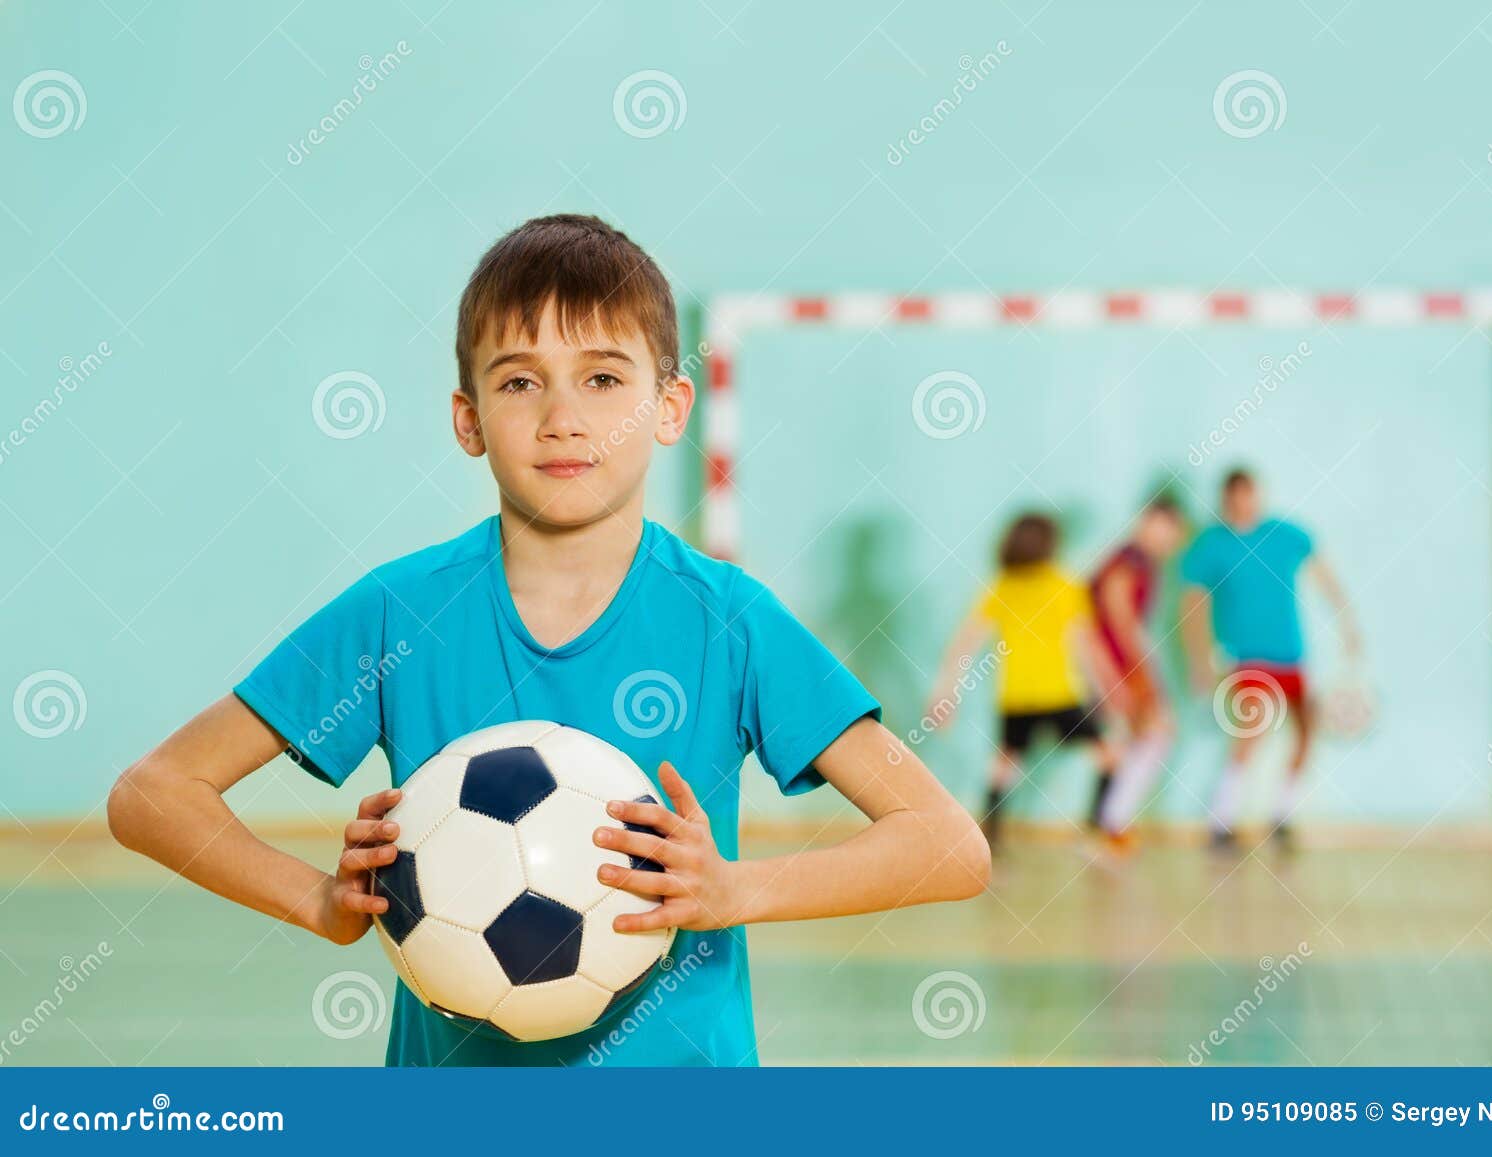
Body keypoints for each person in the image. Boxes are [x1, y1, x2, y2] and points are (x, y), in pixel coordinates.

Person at [107, 214, 989, 1067]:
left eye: (603, 378)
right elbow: (153, 794)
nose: (562, 417)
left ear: (671, 406)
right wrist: (318, 900)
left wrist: (733, 888)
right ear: (468, 418)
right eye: (521, 381)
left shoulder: (730, 619)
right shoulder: (397, 612)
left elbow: (949, 846)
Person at [1178, 468, 1359, 848]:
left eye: (1249, 496)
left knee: (1307, 731)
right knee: (1253, 729)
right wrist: (1199, 659)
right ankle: (1220, 821)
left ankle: (1282, 816)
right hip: (1247, 657)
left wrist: (1347, 624)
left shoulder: (1287, 535)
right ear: (1225, 500)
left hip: (1291, 654)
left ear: (1257, 495)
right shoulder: (1210, 545)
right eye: (1234, 498)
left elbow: (1325, 576)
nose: (1242, 505)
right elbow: (1192, 605)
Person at [925, 513, 1117, 851]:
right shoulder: (1065, 585)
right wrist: (1108, 691)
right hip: (1060, 695)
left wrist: (945, 693)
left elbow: (963, 645)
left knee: (1002, 768)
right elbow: (1087, 646)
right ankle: (1094, 828)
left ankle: (988, 842)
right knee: (1108, 758)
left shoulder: (1002, 587)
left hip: (1016, 698)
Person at [1088, 495, 1189, 847]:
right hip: (1115, 664)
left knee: (1126, 741)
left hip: (1116, 663)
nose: (1172, 540)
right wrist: (1137, 670)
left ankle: (1108, 824)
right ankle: (1111, 824)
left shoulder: (1140, 561)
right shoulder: (1130, 559)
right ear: (1150, 522)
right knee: (1154, 732)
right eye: (1169, 530)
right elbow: (1119, 616)